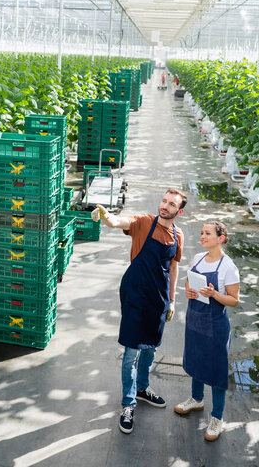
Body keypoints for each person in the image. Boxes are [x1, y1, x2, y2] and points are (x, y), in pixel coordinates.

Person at [92, 188, 186, 434]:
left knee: (151, 347)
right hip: (135, 293)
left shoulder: (178, 235)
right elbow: (118, 221)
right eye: (164, 201)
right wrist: (105, 215)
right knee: (132, 351)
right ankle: (128, 403)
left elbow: (173, 268)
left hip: (159, 298)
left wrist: (173, 300)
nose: (165, 206)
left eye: (171, 204)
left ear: (179, 210)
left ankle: (143, 388)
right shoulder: (144, 222)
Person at [174, 221, 240, 442]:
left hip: (215, 326)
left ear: (221, 238)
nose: (202, 236)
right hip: (194, 320)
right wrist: (190, 291)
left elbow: (233, 300)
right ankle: (196, 399)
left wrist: (214, 295)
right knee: (195, 361)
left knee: (216, 370)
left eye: (207, 233)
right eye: (201, 233)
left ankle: (217, 418)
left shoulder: (228, 267)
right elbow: (187, 281)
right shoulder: (198, 259)